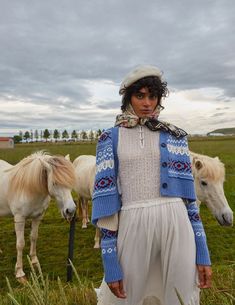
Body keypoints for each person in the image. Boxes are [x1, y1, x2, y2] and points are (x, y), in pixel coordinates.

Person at [92, 65, 212, 305]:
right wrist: (110, 261)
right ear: (128, 98)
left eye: (152, 96)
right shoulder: (110, 138)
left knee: (179, 297)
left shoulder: (175, 136)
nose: (147, 103)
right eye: (140, 96)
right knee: (127, 298)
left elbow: (190, 202)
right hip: (132, 226)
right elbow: (106, 203)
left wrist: (202, 252)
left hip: (176, 226)